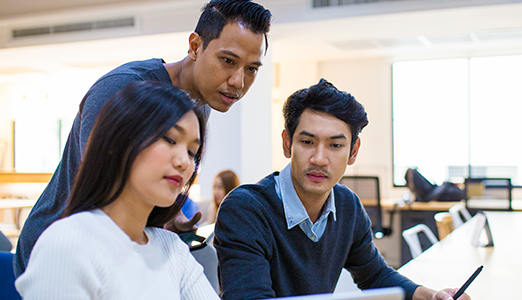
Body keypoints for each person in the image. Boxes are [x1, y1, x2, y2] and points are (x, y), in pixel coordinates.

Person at [14, 0, 272, 276]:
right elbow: (105, 186)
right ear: (196, 46)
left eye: (251, 69)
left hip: (123, 253)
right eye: (228, 61)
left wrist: (169, 217)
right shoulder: (122, 88)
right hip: (58, 254)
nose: (238, 81)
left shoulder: (201, 106)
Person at [214, 79, 470, 300]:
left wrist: (425, 294)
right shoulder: (246, 210)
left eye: (335, 145)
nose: (319, 159)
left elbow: (374, 274)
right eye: (307, 142)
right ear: (287, 143)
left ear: (353, 151)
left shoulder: (347, 205)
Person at [15, 81, 219, 299]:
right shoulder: (68, 243)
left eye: (191, 152)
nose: (184, 162)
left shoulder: (172, 249)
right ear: (120, 141)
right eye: (170, 140)